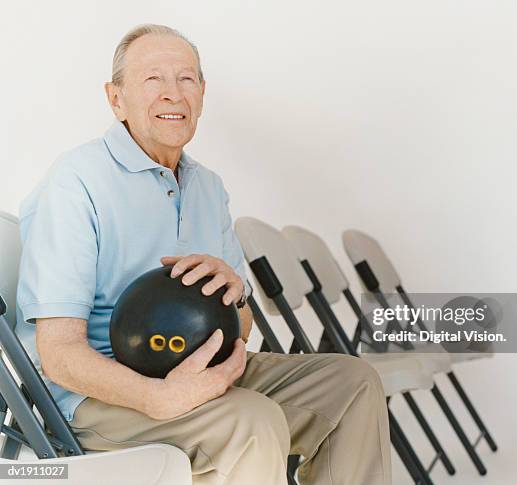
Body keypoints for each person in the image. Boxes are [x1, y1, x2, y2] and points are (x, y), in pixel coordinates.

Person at [15, 24, 391, 485]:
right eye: (153, 79)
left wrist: (232, 297)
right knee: (251, 422)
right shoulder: (75, 181)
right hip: (97, 393)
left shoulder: (208, 187)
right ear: (116, 99)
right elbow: (58, 355)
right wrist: (156, 397)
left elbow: (243, 328)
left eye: (186, 79)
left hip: (199, 372)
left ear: (202, 94)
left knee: (351, 383)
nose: (173, 94)